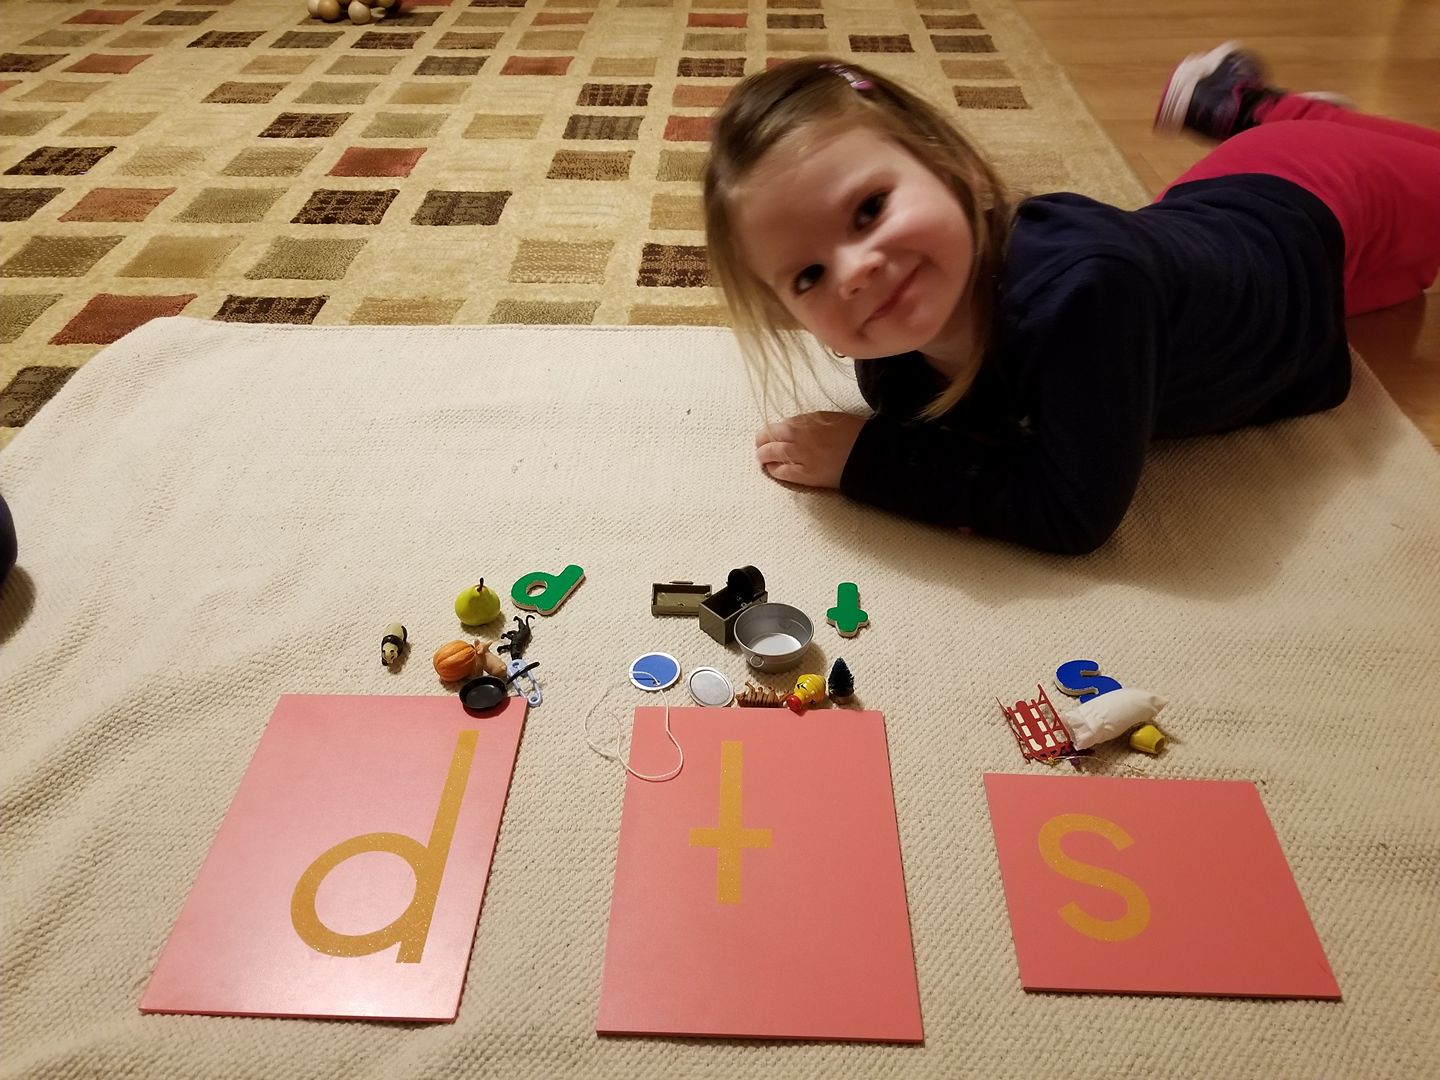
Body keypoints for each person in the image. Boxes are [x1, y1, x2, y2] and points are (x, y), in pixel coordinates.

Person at [703, 46, 1440, 554]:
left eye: (870, 209)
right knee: (1409, 281)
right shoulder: (896, 351)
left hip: (1310, 199)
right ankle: (1259, 110)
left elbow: (1072, 513)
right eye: (808, 277)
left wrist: (869, 461)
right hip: (1256, 248)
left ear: (962, 171)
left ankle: (1262, 108)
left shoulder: (1088, 292)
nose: (854, 274)